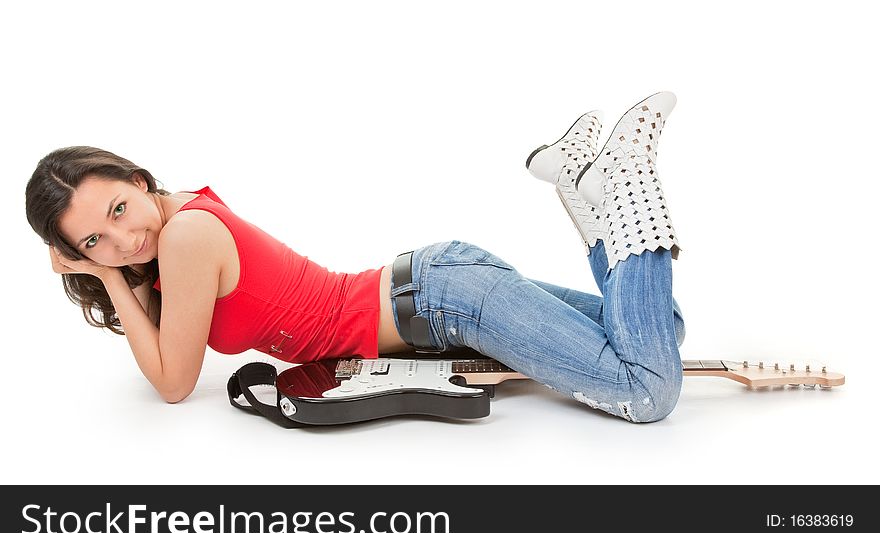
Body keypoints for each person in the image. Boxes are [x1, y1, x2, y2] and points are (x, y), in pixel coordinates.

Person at [25, 91, 686, 423]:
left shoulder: (185, 237)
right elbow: (169, 346)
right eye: (94, 241)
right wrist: (116, 265)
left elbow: (172, 383)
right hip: (437, 284)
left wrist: (105, 274)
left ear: (136, 180)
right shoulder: (179, 218)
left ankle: (628, 187)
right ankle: (584, 193)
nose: (122, 241)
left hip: (443, 303)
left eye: (116, 210)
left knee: (647, 388)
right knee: (658, 329)